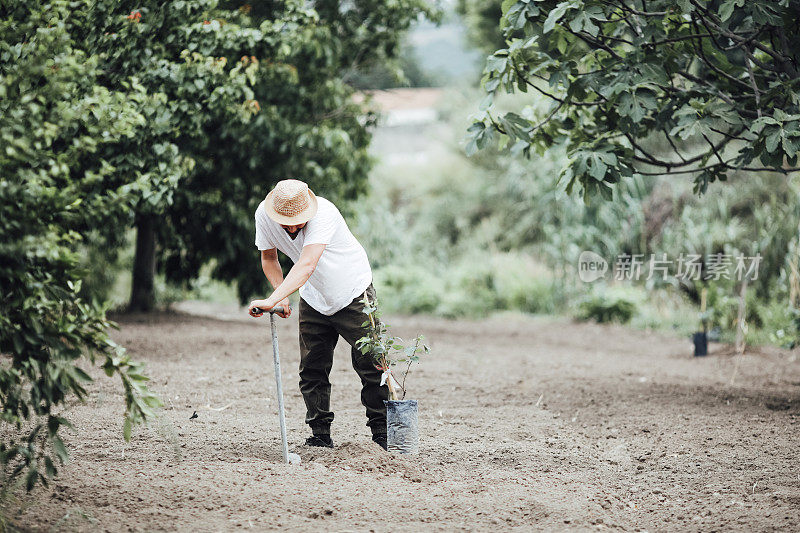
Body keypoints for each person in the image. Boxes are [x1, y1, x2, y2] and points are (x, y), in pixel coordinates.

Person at [247, 179, 389, 450]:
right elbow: (269, 258)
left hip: (353, 293)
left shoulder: (325, 213)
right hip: (313, 297)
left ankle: (383, 434)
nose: (291, 228)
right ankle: (320, 434)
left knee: (371, 363)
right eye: (284, 222)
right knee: (312, 366)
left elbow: (307, 264)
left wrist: (271, 300)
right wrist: (282, 294)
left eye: (297, 221)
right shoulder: (262, 217)